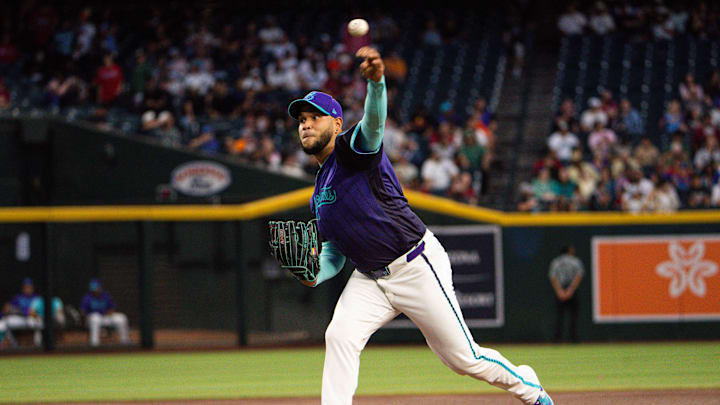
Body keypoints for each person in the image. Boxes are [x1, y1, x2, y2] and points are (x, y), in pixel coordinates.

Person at [285, 46, 553, 405]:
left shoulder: (352, 148)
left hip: (414, 263)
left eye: (314, 117)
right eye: (301, 119)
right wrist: (314, 274)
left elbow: (374, 123)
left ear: (335, 124)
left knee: (463, 359)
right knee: (340, 336)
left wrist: (377, 84)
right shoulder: (318, 193)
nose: (305, 124)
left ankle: (529, 388)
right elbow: (334, 251)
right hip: (370, 279)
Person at [548, 245, 584, 343]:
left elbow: (553, 277)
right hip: (572, 289)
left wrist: (559, 291)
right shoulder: (575, 261)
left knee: (560, 316)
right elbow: (579, 276)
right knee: (573, 316)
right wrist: (570, 290)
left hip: (561, 288)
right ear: (569, 251)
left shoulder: (556, 261)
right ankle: (573, 338)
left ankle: (557, 339)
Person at [80, 278, 129, 347]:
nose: (96, 291)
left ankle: (124, 341)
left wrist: (109, 313)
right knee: (95, 318)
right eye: (94, 289)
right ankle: (94, 344)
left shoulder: (105, 296)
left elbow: (112, 307)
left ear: (100, 288)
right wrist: (87, 317)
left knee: (122, 318)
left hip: (106, 316)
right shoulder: (87, 298)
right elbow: (83, 311)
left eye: (97, 288)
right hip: (94, 318)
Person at [2, 278, 43, 346]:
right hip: (21, 319)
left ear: (32, 288)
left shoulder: (37, 298)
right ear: (23, 288)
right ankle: (14, 344)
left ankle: (38, 345)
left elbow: (39, 311)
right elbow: (8, 308)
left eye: (29, 287)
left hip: (32, 319)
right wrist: (7, 309)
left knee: (39, 323)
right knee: (5, 323)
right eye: (26, 287)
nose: (27, 289)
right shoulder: (18, 297)